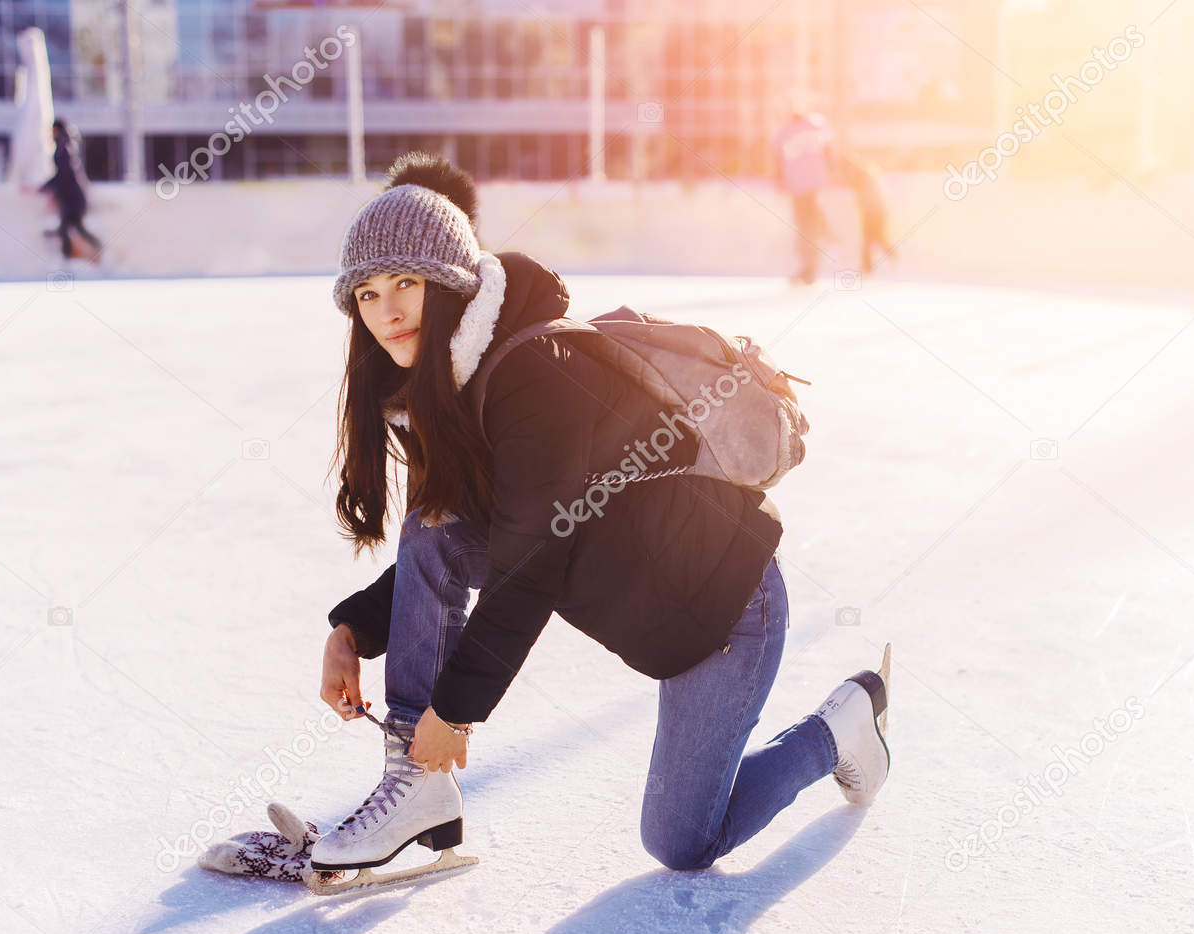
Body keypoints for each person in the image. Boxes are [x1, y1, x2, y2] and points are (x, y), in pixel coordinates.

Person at [310, 151, 892, 881]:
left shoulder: (536, 374)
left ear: (455, 285)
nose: (386, 310)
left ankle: (835, 734)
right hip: (637, 587)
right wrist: (354, 628)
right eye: (365, 294)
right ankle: (414, 787)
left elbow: (529, 564)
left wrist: (455, 712)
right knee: (435, 521)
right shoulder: (456, 381)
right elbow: (458, 539)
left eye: (406, 284)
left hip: (723, 612)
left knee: (682, 843)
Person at [771, 98, 839, 285]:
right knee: (807, 222)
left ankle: (809, 266)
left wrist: (778, 178)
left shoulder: (786, 130)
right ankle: (812, 261)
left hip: (801, 183)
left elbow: (778, 157)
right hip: (809, 182)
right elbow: (829, 151)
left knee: (805, 226)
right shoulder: (815, 124)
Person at [40, 119, 102, 261]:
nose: (51, 133)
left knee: (68, 230)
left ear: (57, 130)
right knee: (72, 229)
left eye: (53, 130)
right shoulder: (66, 146)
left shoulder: (64, 148)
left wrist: (45, 187)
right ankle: (95, 252)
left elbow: (64, 174)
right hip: (71, 198)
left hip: (72, 198)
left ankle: (69, 261)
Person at [844, 153, 896, 275]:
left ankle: (886, 259)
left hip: (873, 212)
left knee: (873, 239)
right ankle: (870, 265)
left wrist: (864, 207)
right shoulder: (864, 176)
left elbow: (868, 197)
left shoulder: (863, 177)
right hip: (873, 211)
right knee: (872, 239)